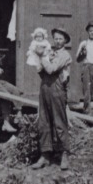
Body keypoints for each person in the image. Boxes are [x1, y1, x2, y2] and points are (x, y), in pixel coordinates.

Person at [32, 27, 73, 171]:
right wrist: (42, 59)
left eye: (60, 38)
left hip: (57, 90)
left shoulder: (65, 55)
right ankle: (45, 155)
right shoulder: (49, 52)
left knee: (59, 122)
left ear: (65, 41)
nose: (57, 41)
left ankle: (64, 154)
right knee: (43, 122)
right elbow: (41, 72)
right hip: (45, 89)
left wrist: (42, 57)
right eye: (55, 38)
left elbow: (51, 69)